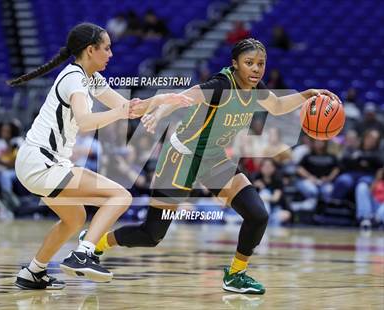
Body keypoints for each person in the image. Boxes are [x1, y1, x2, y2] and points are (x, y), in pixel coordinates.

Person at [81, 38, 340, 294]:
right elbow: (182, 98)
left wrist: (306, 95)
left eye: (260, 63)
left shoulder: (257, 89)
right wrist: (159, 113)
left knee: (257, 214)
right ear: (235, 64)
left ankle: (236, 275)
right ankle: (96, 242)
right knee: (151, 235)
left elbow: (278, 105)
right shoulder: (219, 85)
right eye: (249, 63)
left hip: (213, 159)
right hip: (180, 158)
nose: (256, 69)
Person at [7, 22, 191, 290]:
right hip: (42, 162)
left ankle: (33, 272)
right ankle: (83, 254)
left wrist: (163, 99)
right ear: (90, 50)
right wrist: (118, 114)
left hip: (38, 163)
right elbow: (84, 121)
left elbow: (129, 108)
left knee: (75, 218)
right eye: (106, 48)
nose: (111, 54)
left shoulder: (91, 78)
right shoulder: (75, 78)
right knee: (120, 196)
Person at [292, 140, 339, 211]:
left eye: (321, 142)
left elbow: (337, 169)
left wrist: (329, 178)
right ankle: (306, 207)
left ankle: (324, 211)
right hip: (309, 181)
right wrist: (309, 177)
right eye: (317, 142)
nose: (319, 144)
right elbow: (299, 168)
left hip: (325, 182)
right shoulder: (308, 155)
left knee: (328, 190)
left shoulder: (331, 156)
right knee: (313, 190)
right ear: (313, 143)